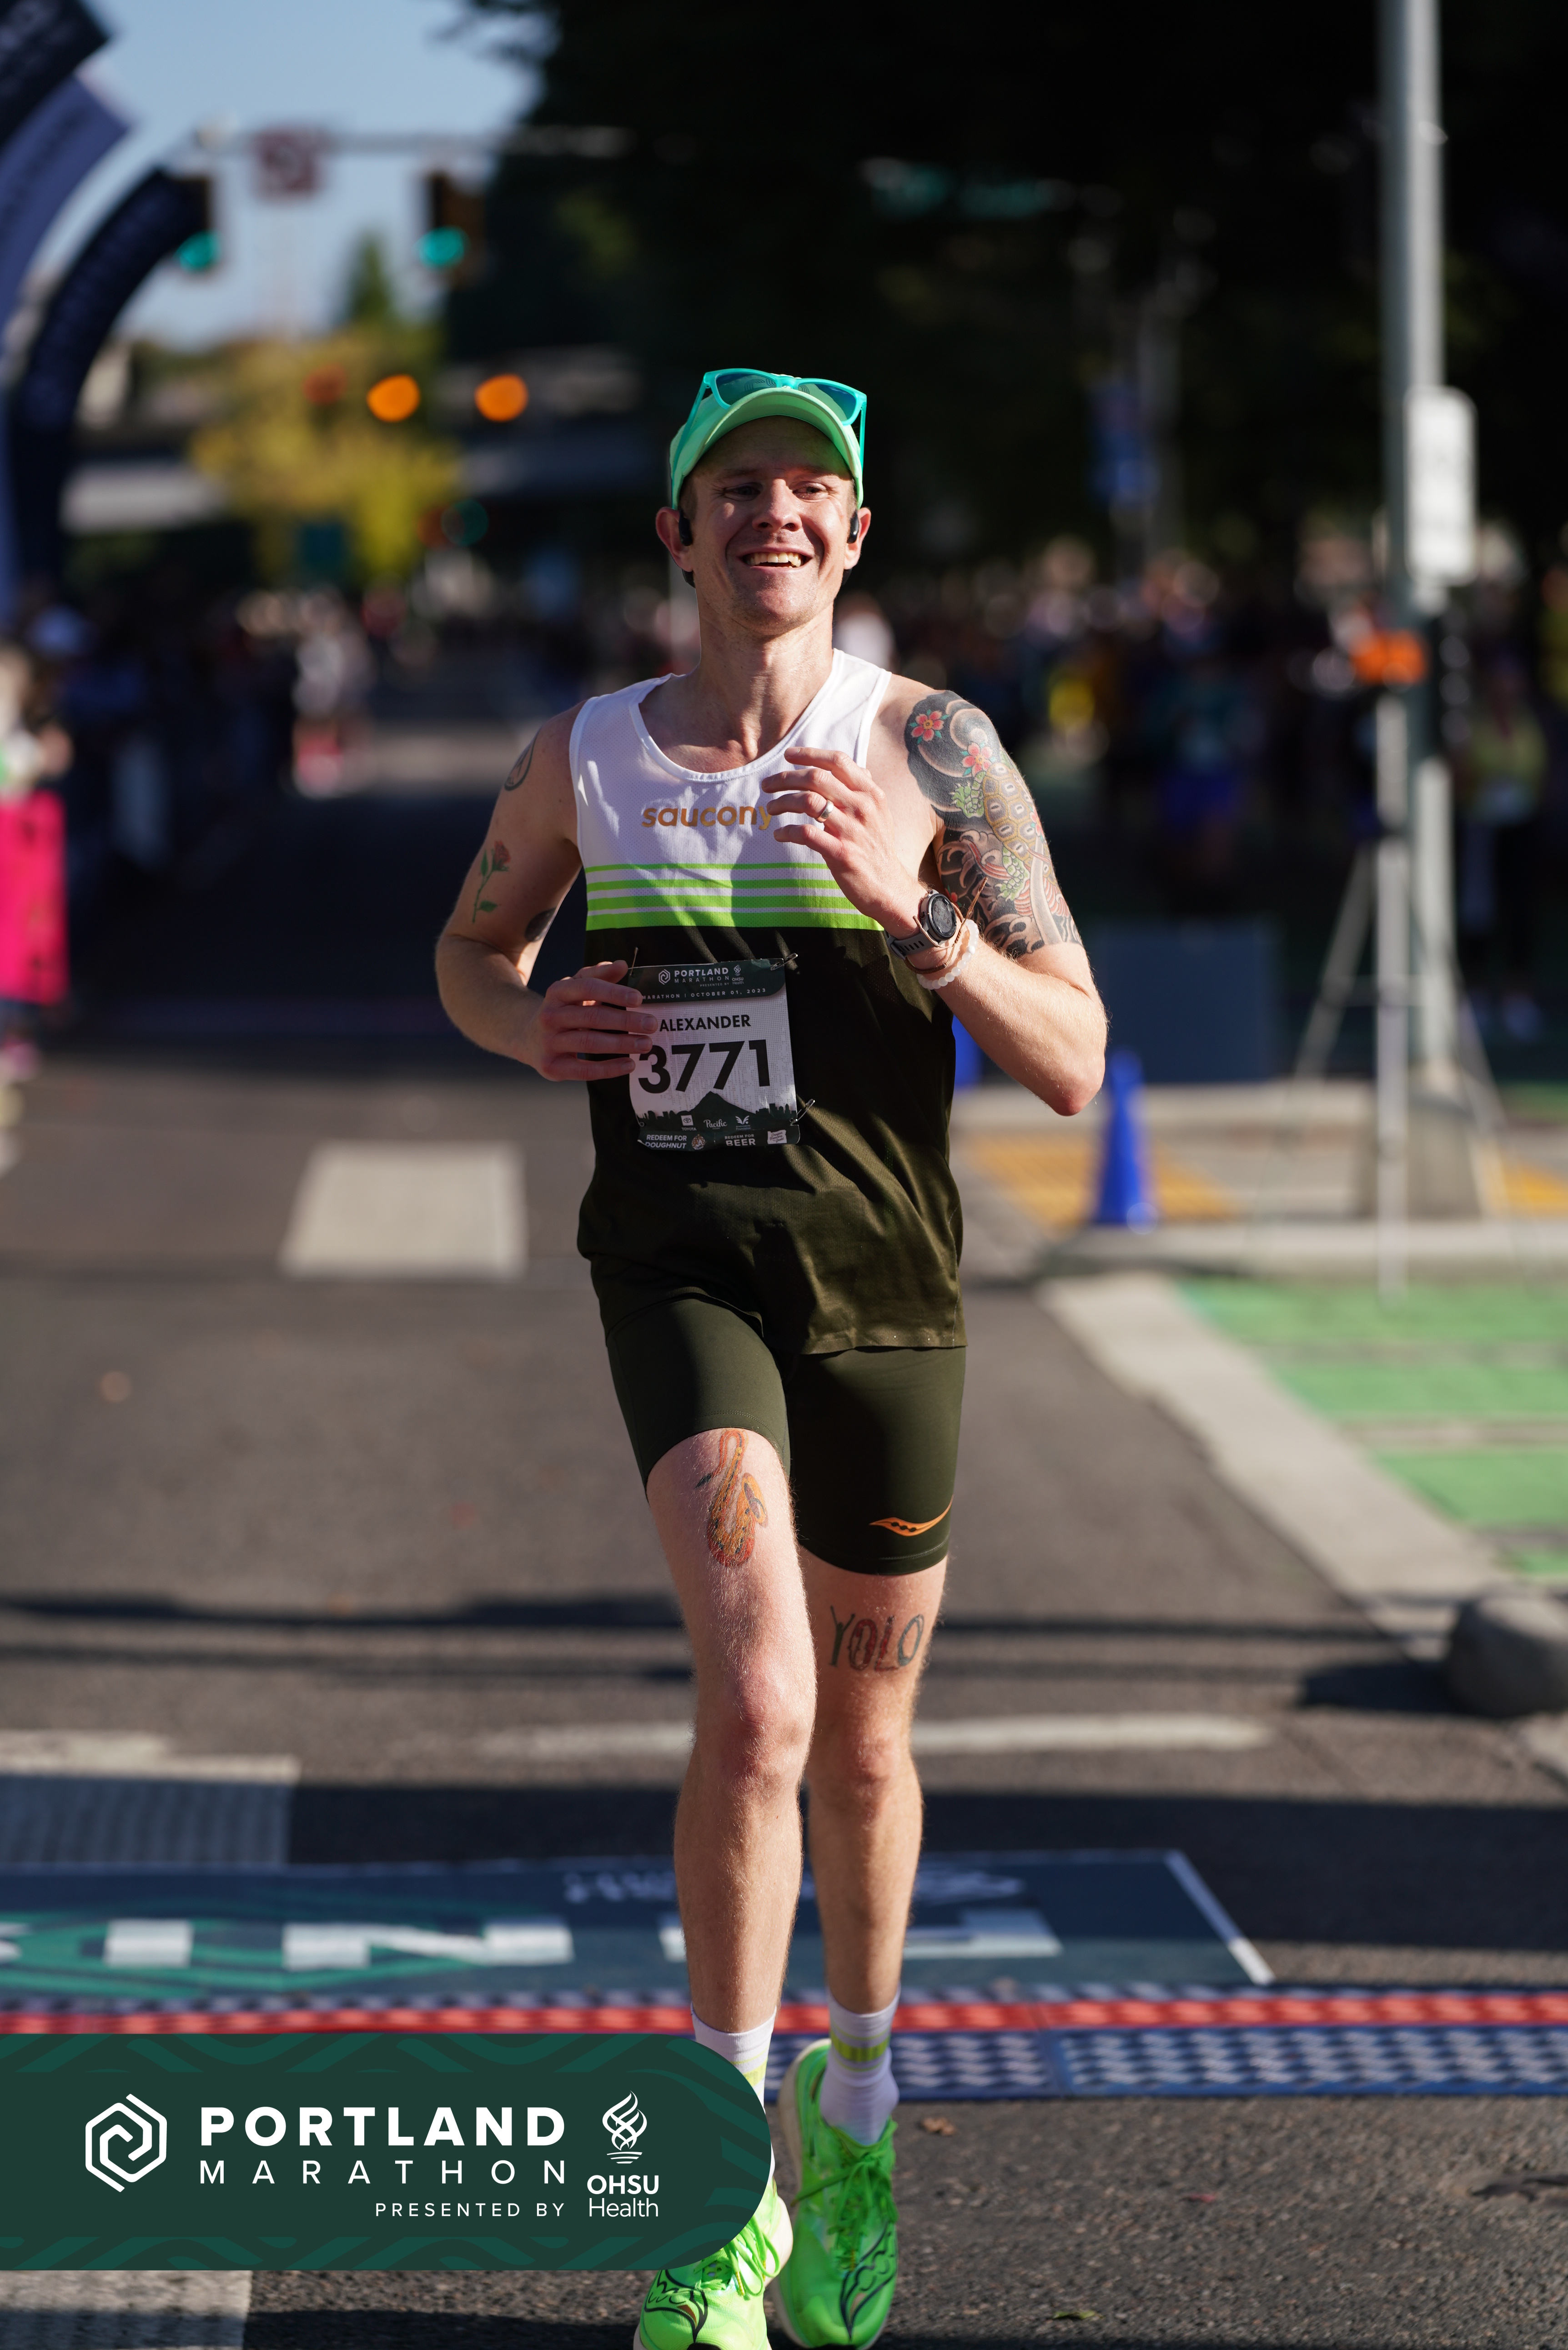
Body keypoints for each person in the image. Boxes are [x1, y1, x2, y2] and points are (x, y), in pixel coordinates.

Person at [436, 368, 1105, 2350]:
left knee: (866, 1746)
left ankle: (860, 2119)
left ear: (855, 531)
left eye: (813, 485)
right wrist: (527, 1022)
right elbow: (472, 951)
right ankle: (720, 2190)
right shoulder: (587, 757)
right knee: (756, 1700)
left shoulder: (931, 746)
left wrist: (920, 918)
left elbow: (1075, 1055)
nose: (776, 515)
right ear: (678, 531)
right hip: (683, 1271)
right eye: (736, 486)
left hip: (885, 1291)